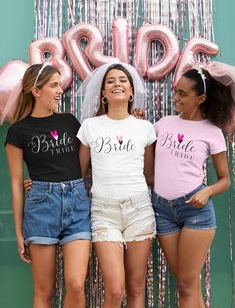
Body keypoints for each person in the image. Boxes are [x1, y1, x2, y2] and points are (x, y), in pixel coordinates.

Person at [5, 63, 91, 308]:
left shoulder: (70, 122)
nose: (59, 91)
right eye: (54, 85)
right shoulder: (18, 132)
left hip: (76, 204)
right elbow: (15, 184)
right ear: (36, 90)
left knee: (75, 285)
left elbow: (82, 163)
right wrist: (19, 232)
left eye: (59, 86)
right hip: (41, 208)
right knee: (45, 292)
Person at [152, 64, 235, 308]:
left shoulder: (212, 132)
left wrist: (206, 191)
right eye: (176, 91)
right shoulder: (163, 124)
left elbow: (225, 180)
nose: (175, 98)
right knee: (187, 284)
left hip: (195, 211)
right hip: (162, 211)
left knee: (187, 285)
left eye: (183, 94)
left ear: (201, 98)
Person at [77, 62, 156, 308]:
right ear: (103, 93)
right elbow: (78, 173)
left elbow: (150, 175)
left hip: (139, 210)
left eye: (122, 80)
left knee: (135, 287)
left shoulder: (145, 128)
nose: (117, 84)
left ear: (131, 92)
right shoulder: (90, 126)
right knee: (115, 289)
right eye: (110, 81)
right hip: (104, 213)